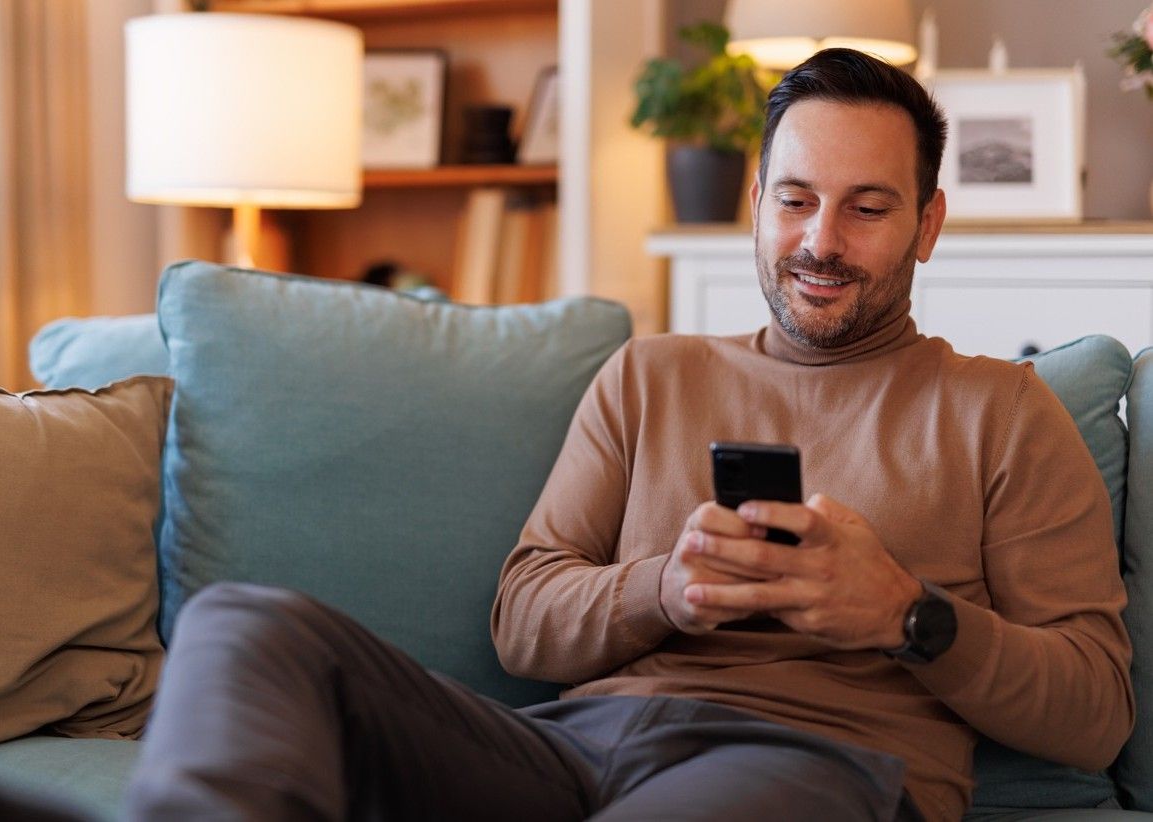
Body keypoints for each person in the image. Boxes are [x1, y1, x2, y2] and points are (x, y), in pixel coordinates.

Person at [123, 48, 1133, 822]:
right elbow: (523, 619)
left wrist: (904, 614)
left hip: (815, 764)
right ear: (756, 204)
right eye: (794, 201)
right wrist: (663, 588)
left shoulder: (999, 411)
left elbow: (1094, 711)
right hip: (572, 748)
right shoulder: (651, 374)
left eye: (866, 209)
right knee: (243, 625)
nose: (820, 241)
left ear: (927, 224)